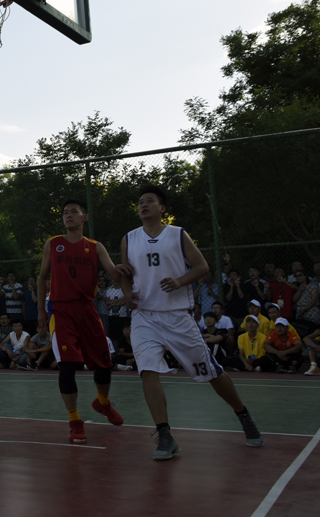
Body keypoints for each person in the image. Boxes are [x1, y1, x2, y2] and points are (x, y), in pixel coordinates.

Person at [119, 185, 263, 460]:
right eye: (140, 202)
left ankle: (243, 415)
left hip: (177, 316)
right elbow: (125, 273)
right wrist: (127, 293)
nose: (143, 205)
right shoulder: (129, 239)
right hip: (144, 316)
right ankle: (164, 434)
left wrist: (179, 281)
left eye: (150, 201)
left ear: (162, 208)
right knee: (147, 370)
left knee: (210, 372)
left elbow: (202, 266)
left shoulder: (178, 234)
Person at [37, 199, 130, 445]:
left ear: (84, 217)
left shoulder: (95, 247)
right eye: (65, 212)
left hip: (87, 309)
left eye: (74, 212)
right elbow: (42, 277)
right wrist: (41, 311)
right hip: (61, 311)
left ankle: (102, 403)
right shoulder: (53, 243)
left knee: (105, 363)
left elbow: (113, 273)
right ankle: (75, 422)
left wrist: (124, 269)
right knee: (67, 366)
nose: (68, 215)